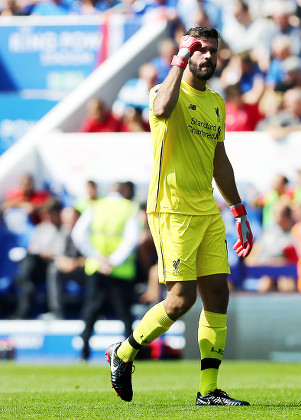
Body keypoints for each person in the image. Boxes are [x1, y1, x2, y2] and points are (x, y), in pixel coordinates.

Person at [105, 27, 253, 406]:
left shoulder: (217, 103)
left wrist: (238, 210)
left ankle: (208, 390)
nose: (207, 57)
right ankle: (123, 353)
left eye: (212, 52)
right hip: (170, 208)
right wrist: (178, 60)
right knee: (179, 300)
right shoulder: (163, 90)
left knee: (218, 293)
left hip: (206, 208)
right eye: (199, 50)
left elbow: (219, 160)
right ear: (187, 53)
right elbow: (159, 110)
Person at [72, 181, 141, 360]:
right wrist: (114, 261)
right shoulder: (131, 208)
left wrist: (97, 258)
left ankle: (84, 350)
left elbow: (78, 234)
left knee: (91, 311)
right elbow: (132, 239)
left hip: (97, 268)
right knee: (125, 314)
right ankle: (130, 354)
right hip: (120, 270)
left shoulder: (95, 205)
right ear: (125, 191)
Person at [10, 198, 65, 319]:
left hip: (54, 264)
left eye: (52, 213)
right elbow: (33, 247)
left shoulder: (65, 230)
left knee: (42, 269)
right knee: (28, 263)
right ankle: (22, 312)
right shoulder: (41, 228)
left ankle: (21, 279)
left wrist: (48, 253)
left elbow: (62, 253)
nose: (49, 216)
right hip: (37, 264)